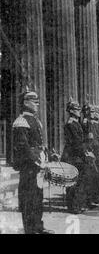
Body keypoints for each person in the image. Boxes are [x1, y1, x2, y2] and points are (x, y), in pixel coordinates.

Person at [12, 89, 54, 234]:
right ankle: (30, 229)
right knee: (29, 197)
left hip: (38, 165)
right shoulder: (21, 121)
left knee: (38, 196)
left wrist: (46, 156)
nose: (36, 104)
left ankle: (38, 226)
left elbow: (39, 143)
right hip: (29, 166)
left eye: (36, 101)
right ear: (25, 103)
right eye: (33, 101)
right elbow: (23, 147)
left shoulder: (36, 121)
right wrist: (37, 161)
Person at [63, 99, 91, 214]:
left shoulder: (76, 123)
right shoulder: (71, 124)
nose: (79, 111)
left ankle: (77, 205)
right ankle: (73, 206)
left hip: (77, 155)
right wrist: (84, 153)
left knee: (79, 182)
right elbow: (76, 142)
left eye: (79, 109)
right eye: (76, 109)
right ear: (70, 111)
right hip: (73, 156)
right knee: (73, 182)